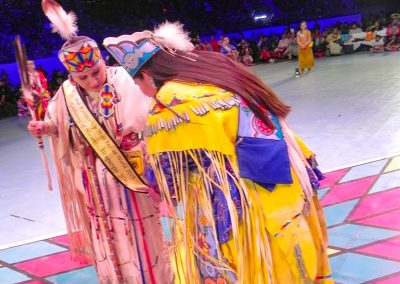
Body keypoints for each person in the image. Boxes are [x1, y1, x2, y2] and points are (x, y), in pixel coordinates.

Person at [105, 22, 333, 283]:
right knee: (286, 257)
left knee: (244, 265)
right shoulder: (209, 66)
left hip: (244, 194)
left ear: (147, 76)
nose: (142, 92)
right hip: (285, 170)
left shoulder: (170, 102)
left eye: (138, 84)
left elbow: (166, 178)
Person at [27, 1, 172, 283]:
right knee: (106, 237)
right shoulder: (67, 93)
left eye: (96, 72)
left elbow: (154, 112)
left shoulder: (124, 79)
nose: (92, 81)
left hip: (131, 173)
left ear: (102, 61)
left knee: (141, 237)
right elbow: (58, 123)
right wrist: (44, 126)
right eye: (83, 77)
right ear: (72, 75)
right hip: (93, 180)